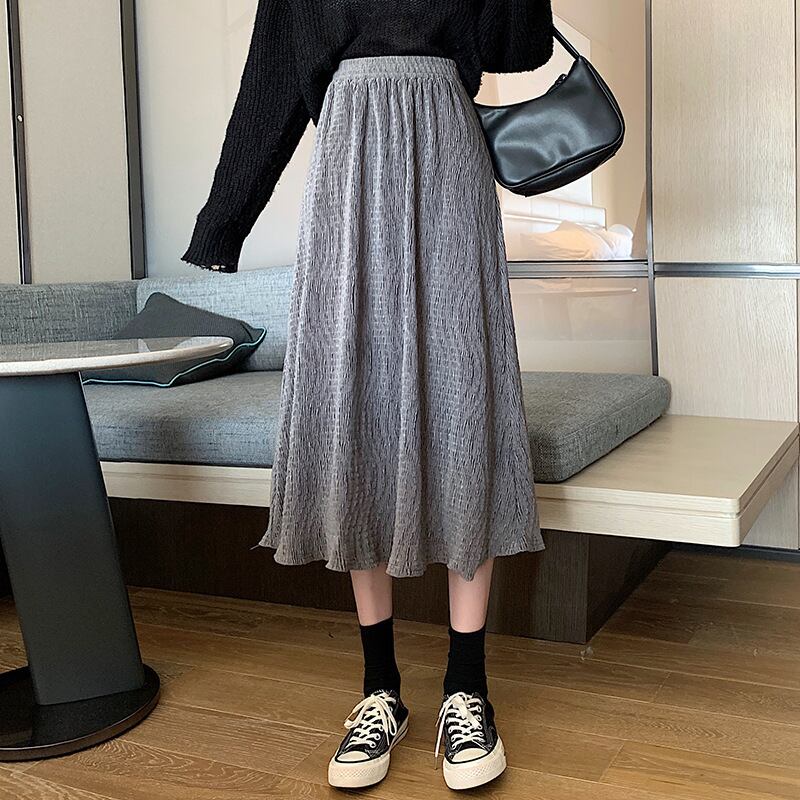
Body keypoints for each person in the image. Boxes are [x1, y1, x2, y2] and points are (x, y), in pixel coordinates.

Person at [182, 0, 554, 790]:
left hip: (449, 161)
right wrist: (224, 221)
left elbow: (516, 47)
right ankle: (380, 689)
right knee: (355, 407)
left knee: (464, 400)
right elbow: (271, 81)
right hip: (348, 169)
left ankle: (467, 688)